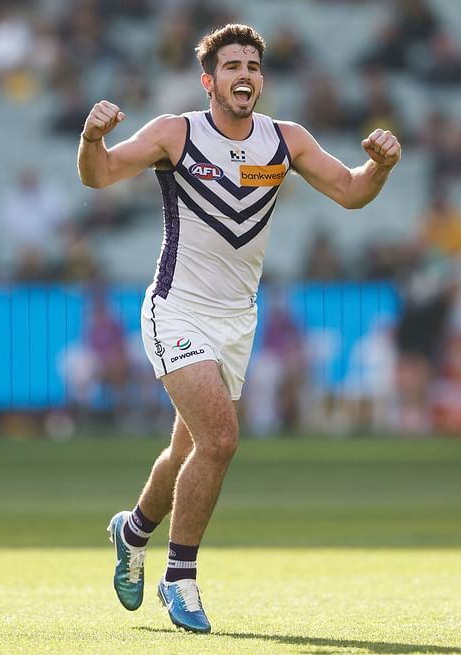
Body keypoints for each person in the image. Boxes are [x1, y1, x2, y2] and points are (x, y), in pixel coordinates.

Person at [77, 23, 401, 634]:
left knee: (186, 450)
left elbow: (352, 192)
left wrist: (379, 167)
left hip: (236, 322)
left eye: (253, 65)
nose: (244, 74)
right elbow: (98, 176)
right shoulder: (177, 132)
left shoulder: (286, 140)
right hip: (175, 309)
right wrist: (92, 138)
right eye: (231, 66)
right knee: (220, 441)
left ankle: (133, 530)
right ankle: (181, 579)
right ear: (209, 81)